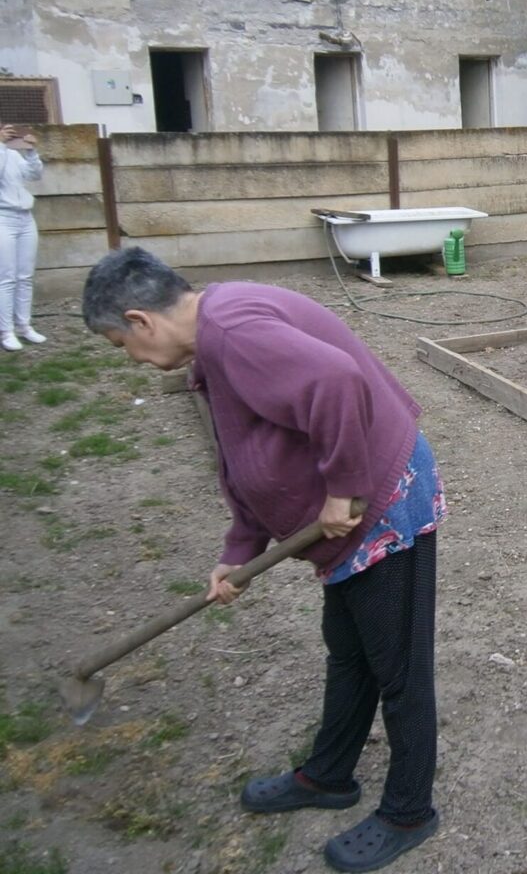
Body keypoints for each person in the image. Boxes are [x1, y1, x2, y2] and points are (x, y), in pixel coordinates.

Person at [81, 247, 444, 873]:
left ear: (141, 320)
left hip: (382, 501)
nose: (134, 360)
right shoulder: (215, 343)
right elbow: (248, 456)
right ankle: (330, 776)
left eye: (122, 345)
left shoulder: (234, 331)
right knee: (350, 650)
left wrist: (342, 486)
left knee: (400, 669)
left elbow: (337, 382)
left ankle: (410, 810)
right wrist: (238, 552)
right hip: (346, 518)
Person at [0, 121, 46, 352]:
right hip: (3, 217)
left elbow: (34, 174)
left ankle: (24, 325)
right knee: (6, 277)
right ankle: (6, 331)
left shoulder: (14, 155)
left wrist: (30, 150)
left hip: (25, 217)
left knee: (25, 275)